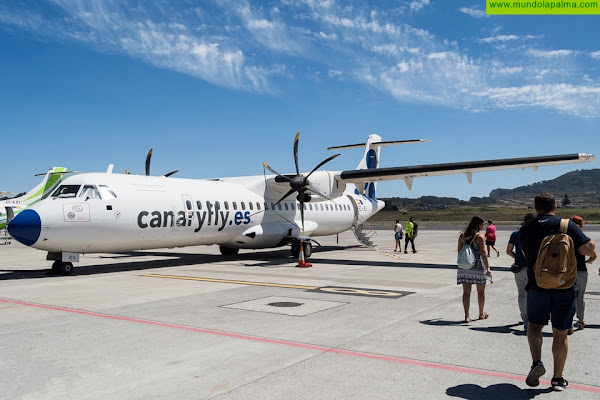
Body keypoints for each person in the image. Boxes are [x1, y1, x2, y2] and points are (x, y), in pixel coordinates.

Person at [520, 193, 596, 391]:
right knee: (560, 332)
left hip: (537, 286)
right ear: (555, 206)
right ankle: (558, 378)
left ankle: (537, 363)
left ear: (536, 208)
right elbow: (589, 248)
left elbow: (526, 254)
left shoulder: (526, 228)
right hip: (564, 286)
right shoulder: (566, 225)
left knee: (534, 327)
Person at [457, 216, 492, 323]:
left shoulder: (462, 236)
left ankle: (467, 316)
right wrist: (488, 267)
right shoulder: (479, 237)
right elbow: (483, 253)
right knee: (481, 292)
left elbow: (459, 251)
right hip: (477, 267)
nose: (483, 226)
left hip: (464, 268)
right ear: (478, 225)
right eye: (482, 224)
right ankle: (481, 313)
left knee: (466, 292)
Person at [506, 213, 535, 331]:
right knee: (531, 295)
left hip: (519, 268)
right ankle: (529, 321)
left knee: (522, 294)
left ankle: (524, 318)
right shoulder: (535, 234)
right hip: (531, 268)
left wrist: (517, 257)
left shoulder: (515, 234)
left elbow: (508, 251)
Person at [569, 215, 596, 334]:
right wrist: (587, 261)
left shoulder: (567, 238)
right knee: (580, 296)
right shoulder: (583, 239)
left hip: (569, 270)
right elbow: (593, 255)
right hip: (581, 270)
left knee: (569, 296)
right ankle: (580, 321)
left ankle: (568, 321)